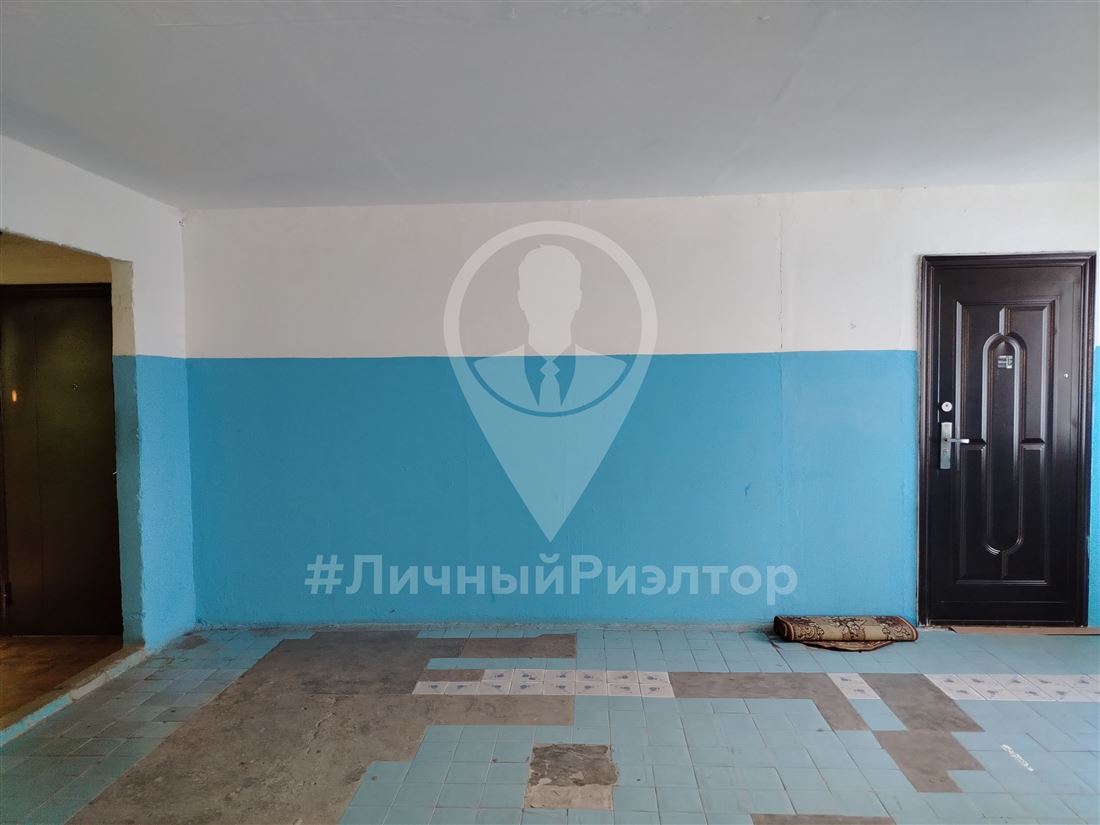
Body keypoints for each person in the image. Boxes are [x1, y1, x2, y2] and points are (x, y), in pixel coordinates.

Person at [474, 244, 625, 412]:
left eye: (560, 291)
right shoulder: (487, 372)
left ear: (577, 298)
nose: (550, 303)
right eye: (538, 292)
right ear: (521, 298)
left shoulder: (612, 372)